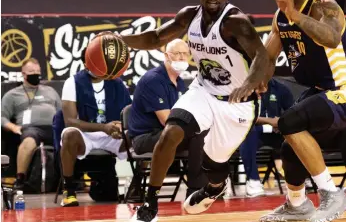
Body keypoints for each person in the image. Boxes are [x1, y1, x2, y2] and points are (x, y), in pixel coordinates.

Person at [121, 0, 269, 222]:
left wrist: (249, 83)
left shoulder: (236, 21)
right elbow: (156, 37)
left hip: (237, 103)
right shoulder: (189, 16)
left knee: (214, 165)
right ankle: (149, 204)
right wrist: (121, 39)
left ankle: (214, 188)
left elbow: (262, 56)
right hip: (203, 91)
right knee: (171, 132)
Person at [259, 0, 346, 222]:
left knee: (289, 121)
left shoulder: (323, 3)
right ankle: (297, 204)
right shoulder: (280, 16)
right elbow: (267, 58)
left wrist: (294, 14)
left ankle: (333, 194)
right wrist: (251, 84)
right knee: (289, 147)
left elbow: (331, 38)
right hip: (320, 90)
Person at [128, 39, 207, 198]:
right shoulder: (153, 80)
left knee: (205, 133)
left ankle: (206, 185)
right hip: (144, 138)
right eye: (177, 54)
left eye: (185, 54)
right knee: (198, 135)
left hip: (166, 134)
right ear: (166, 55)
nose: (182, 58)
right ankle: (195, 190)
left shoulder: (179, 82)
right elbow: (167, 120)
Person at [58, 49, 131, 206]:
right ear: (86, 63)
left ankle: (137, 185)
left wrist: (120, 125)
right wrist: (103, 127)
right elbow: (70, 121)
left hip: (112, 134)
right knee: (69, 133)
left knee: (139, 133)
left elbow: (129, 112)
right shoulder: (73, 82)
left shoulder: (117, 81)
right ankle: (69, 190)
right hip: (85, 135)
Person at [1, 58, 61, 190]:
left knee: (68, 139)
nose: (35, 74)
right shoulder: (13, 95)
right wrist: (13, 127)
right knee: (28, 141)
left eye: (38, 71)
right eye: (31, 72)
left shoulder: (50, 91)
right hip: (31, 129)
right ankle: (20, 178)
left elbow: (62, 111)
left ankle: (68, 179)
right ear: (23, 74)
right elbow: (2, 117)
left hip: (53, 127)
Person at [239, 77, 294, 197]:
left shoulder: (281, 88)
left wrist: (282, 122)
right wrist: (269, 121)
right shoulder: (243, 89)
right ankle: (253, 181)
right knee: (248, 132)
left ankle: (300, 177)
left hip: (277, 132)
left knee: (296, 133)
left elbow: (293, 112)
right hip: (254, 132)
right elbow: (241, 117)